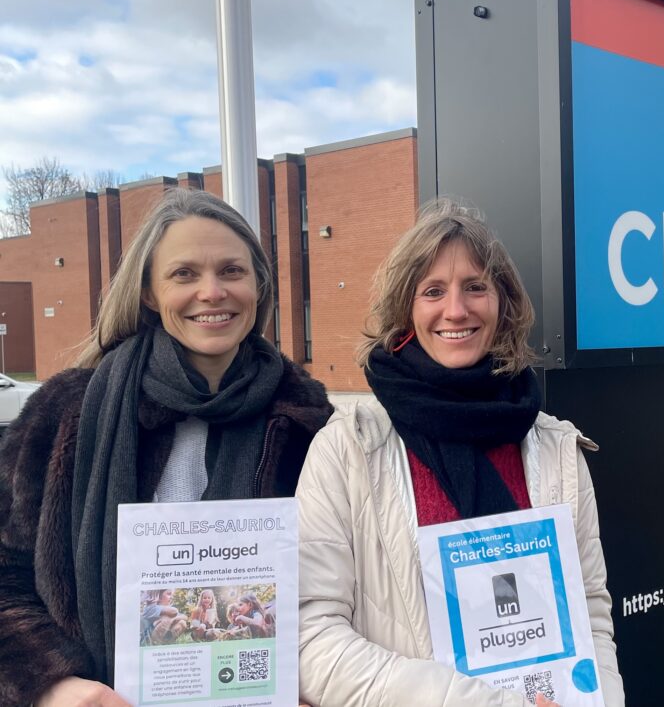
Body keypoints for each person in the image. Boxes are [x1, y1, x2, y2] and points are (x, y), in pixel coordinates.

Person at [0, 188, 334, 706]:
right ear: (150, 293)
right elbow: (5, 574)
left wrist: (315, 678)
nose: (212, 291)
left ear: (258, 286)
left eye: (231, 271)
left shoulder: (308, 422)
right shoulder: (67, 411)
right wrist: (51, 683)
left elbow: (334, 587)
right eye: (184, 274)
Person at [296, 199, 624, 707]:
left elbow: (591, 614)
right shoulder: (347, 450)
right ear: (406, 309)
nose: (456, 310)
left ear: (502, 303)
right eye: (433, 291)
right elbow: (312, 641)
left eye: (475, 286)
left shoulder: (555, 447)